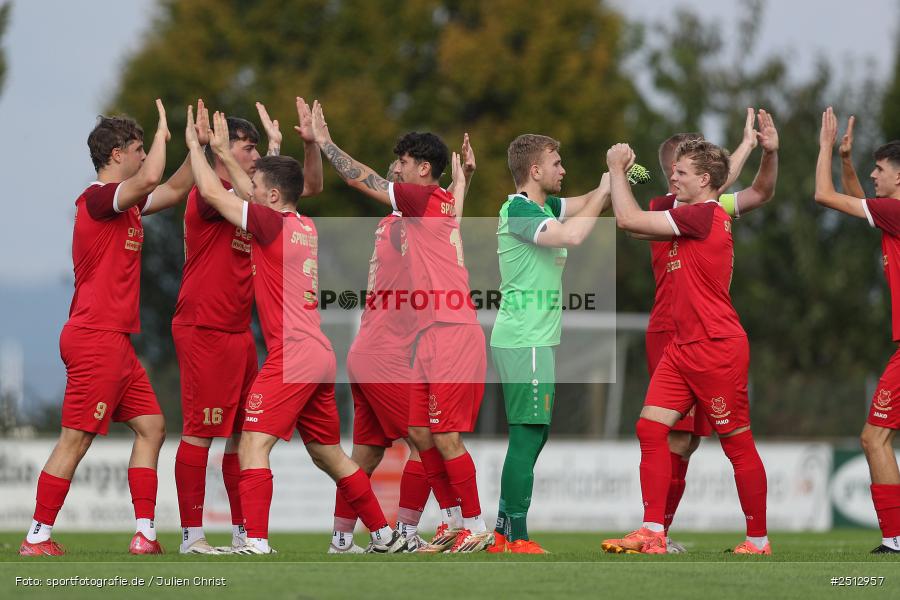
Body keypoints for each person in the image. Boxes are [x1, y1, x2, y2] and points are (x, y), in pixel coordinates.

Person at [186, 107, 406, 555]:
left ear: (268, 196)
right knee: (329, 454)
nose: (252, 189)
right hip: (320, 353)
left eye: (257, 187)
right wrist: (238, 157)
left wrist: (199, 148)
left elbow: (212, 192)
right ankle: (383, 535)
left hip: (293, 355)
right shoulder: (302, 224)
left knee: (251, 444)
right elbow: (257, 187)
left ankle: (258, 543)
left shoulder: (268, 224)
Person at [310, 102, 492, 553]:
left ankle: (346, 537)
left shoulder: (415, 209)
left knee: (377, 451)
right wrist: (461, 182)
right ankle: (424, 529)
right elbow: (439, 217)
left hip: (406, 340)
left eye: (402, 164)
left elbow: (364, 180)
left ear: (422, 168)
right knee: (425, 439)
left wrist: (326, 144)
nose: (395, 173)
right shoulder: (416, 214)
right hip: (397, 347)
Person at [20, 99, 197, 556]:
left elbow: (175, 188)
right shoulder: (99, 198)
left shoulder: (128, 207)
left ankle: (144, 534)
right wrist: (162, 136)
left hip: (115, 340)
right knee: (75, 439)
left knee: (153, 427)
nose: (142, 155)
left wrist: (201, 149)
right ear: (116, 154)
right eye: (137, 148)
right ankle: (36, 536)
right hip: (94, 336)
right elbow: (153, 178)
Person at [601, 134, 777, 555]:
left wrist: (616, 169)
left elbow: (627, 220)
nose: (672, 178)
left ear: (703, 179)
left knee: (736, 443)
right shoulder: (689, 212)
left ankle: (758, 540)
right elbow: (636, 227)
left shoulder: (703, 216)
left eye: (680, 173)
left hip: (716, 345)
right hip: (683, 347)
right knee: (650, 428)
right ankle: (652, 532)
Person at [172, 98, 322, 555]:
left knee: (242, 435)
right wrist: (202, 148)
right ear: (223, 151)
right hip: (205, 326)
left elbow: (301, 188)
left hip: (240, 331)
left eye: (257, 150)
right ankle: (192, 536)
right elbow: (225, 192)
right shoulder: (212, 191)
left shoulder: (255, 200)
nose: (254, 157)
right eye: (247, 147)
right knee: (200, 430)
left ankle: (243, 533)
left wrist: (294, 149)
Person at [487, 134, 611, 554]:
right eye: (556, 163)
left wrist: (616, 175)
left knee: (534, 435)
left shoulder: (542, 207)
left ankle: (503, 531)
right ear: (535, 170)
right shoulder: (521, 210)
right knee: (528, 435)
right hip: (525, 339)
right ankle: (515, 536)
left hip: (533, 339)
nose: (563, 170)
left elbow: (591, 199)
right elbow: (573, 236)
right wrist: (607, 187)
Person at [814, 107, 900, 553]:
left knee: (874, 437)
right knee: (877, 437)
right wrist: (847, 162)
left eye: (879, 169)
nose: (872, 174)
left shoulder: (898, 212)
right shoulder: (891, 214)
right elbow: (858, 204)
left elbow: (825, 196)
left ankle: (896, 538)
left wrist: (826, 146)